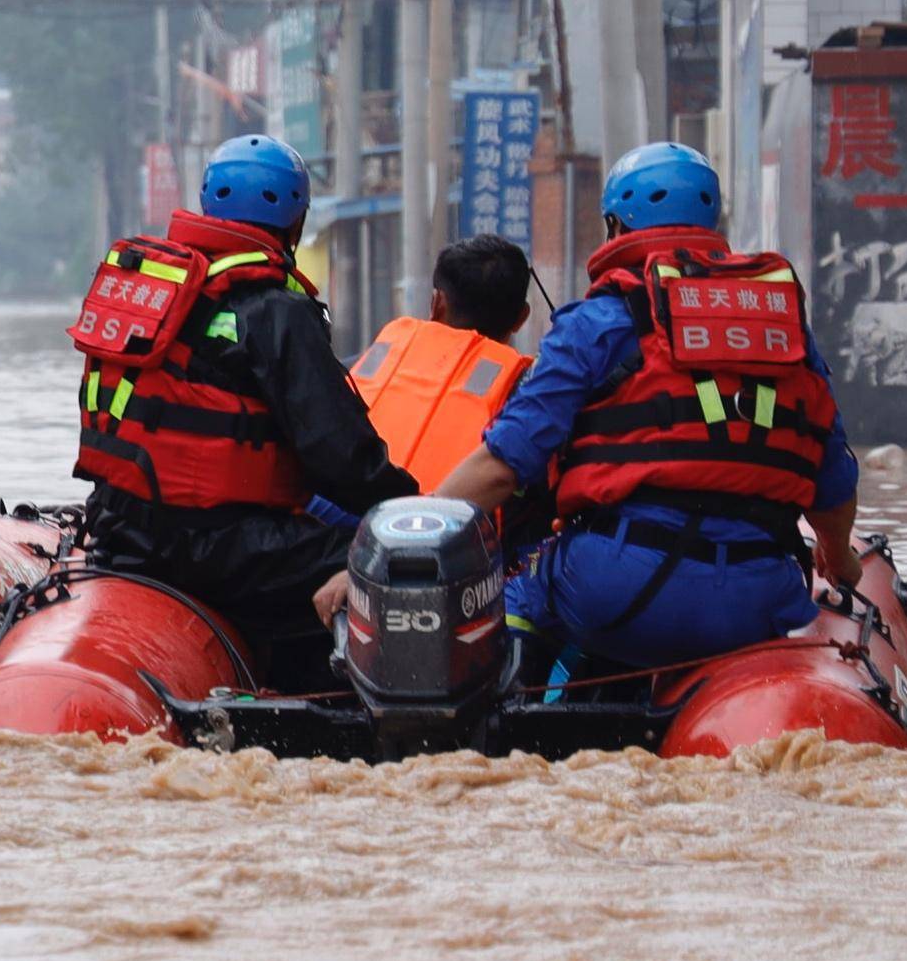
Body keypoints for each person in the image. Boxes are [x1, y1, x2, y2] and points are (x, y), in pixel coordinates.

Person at [391, 142, 858, 677]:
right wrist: (839, 556)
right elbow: (832, 479)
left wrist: (410, 532)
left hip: (619, 587)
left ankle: (516, 714)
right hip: (759, 600)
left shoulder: (596, 323)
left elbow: (503, 466)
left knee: (518, 590)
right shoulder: (785, 330)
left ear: (615, 226)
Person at [69, 133, 410, 684]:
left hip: (118, 531)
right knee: (396, 559)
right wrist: (407, 513)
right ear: (295, 223)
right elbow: (342, 458)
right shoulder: (276, 309)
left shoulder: (155, 293)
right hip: (217, 549)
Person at [342, 233, 539, 493]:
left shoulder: (368, 365)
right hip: (456, 518)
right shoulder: (528, 394)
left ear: (437, 303)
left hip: (342, 513)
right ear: (522, 318)